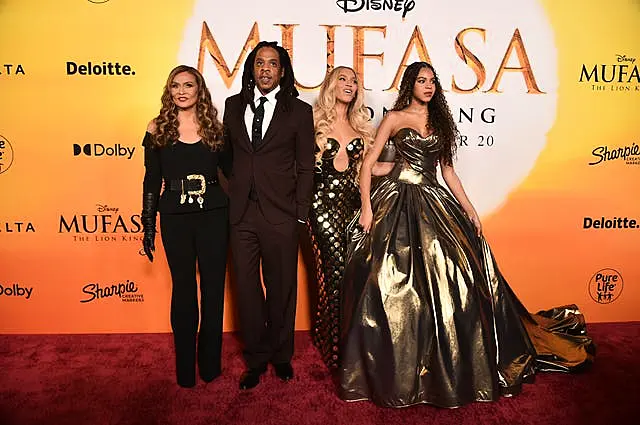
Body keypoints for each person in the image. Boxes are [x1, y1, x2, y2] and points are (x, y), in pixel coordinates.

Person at [339, 61, 595, 408]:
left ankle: (451, 365)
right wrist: (367, 208)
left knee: (457, 276)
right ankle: (393, 369)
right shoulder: (395, 119)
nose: (428, 86)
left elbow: (448, 172)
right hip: (397, 199)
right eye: (421, 81)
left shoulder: (440, 122)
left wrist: (470, 208)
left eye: (432, 81)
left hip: (433, 199)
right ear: (409, 85)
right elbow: (368, 164)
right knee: (382, 279)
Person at [222, 41, 315, 389]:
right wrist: (234, 195)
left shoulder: (299, 112)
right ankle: (257, 359)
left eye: (272, 64)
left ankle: (281, 356)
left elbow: (306, 166)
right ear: (251, 69)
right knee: (246, 290)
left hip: (282, 214)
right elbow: (227, 158)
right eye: (259, 63)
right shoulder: (232, 107)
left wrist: (300, 213)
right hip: (242, 214)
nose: (265, 69)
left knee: (282, 289)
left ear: (282, 71)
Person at [141, 65, 231, 388]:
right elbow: (151, 181)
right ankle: (185, 371)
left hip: (214, 217)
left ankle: (209, 366)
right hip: (175, 219)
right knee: (183, 290)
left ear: (199, 90)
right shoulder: (157, 129)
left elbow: (233, 175)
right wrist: (148, 224)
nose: (181, 91)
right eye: (176, 86)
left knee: (212, 290)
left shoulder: (215, 130)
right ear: (169, 91)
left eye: (188, 85)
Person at [309, 66, 381, 369]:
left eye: (354, 81)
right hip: (320, 208)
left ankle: (342, 340)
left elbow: (371, 170)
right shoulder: (311, 123)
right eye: (342, 78)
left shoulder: (361, 128)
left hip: (353, 209)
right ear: (330, 85)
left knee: (352, 275)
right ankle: (335, 350)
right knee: (334, 272)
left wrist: (408, 170)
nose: (349, 84)